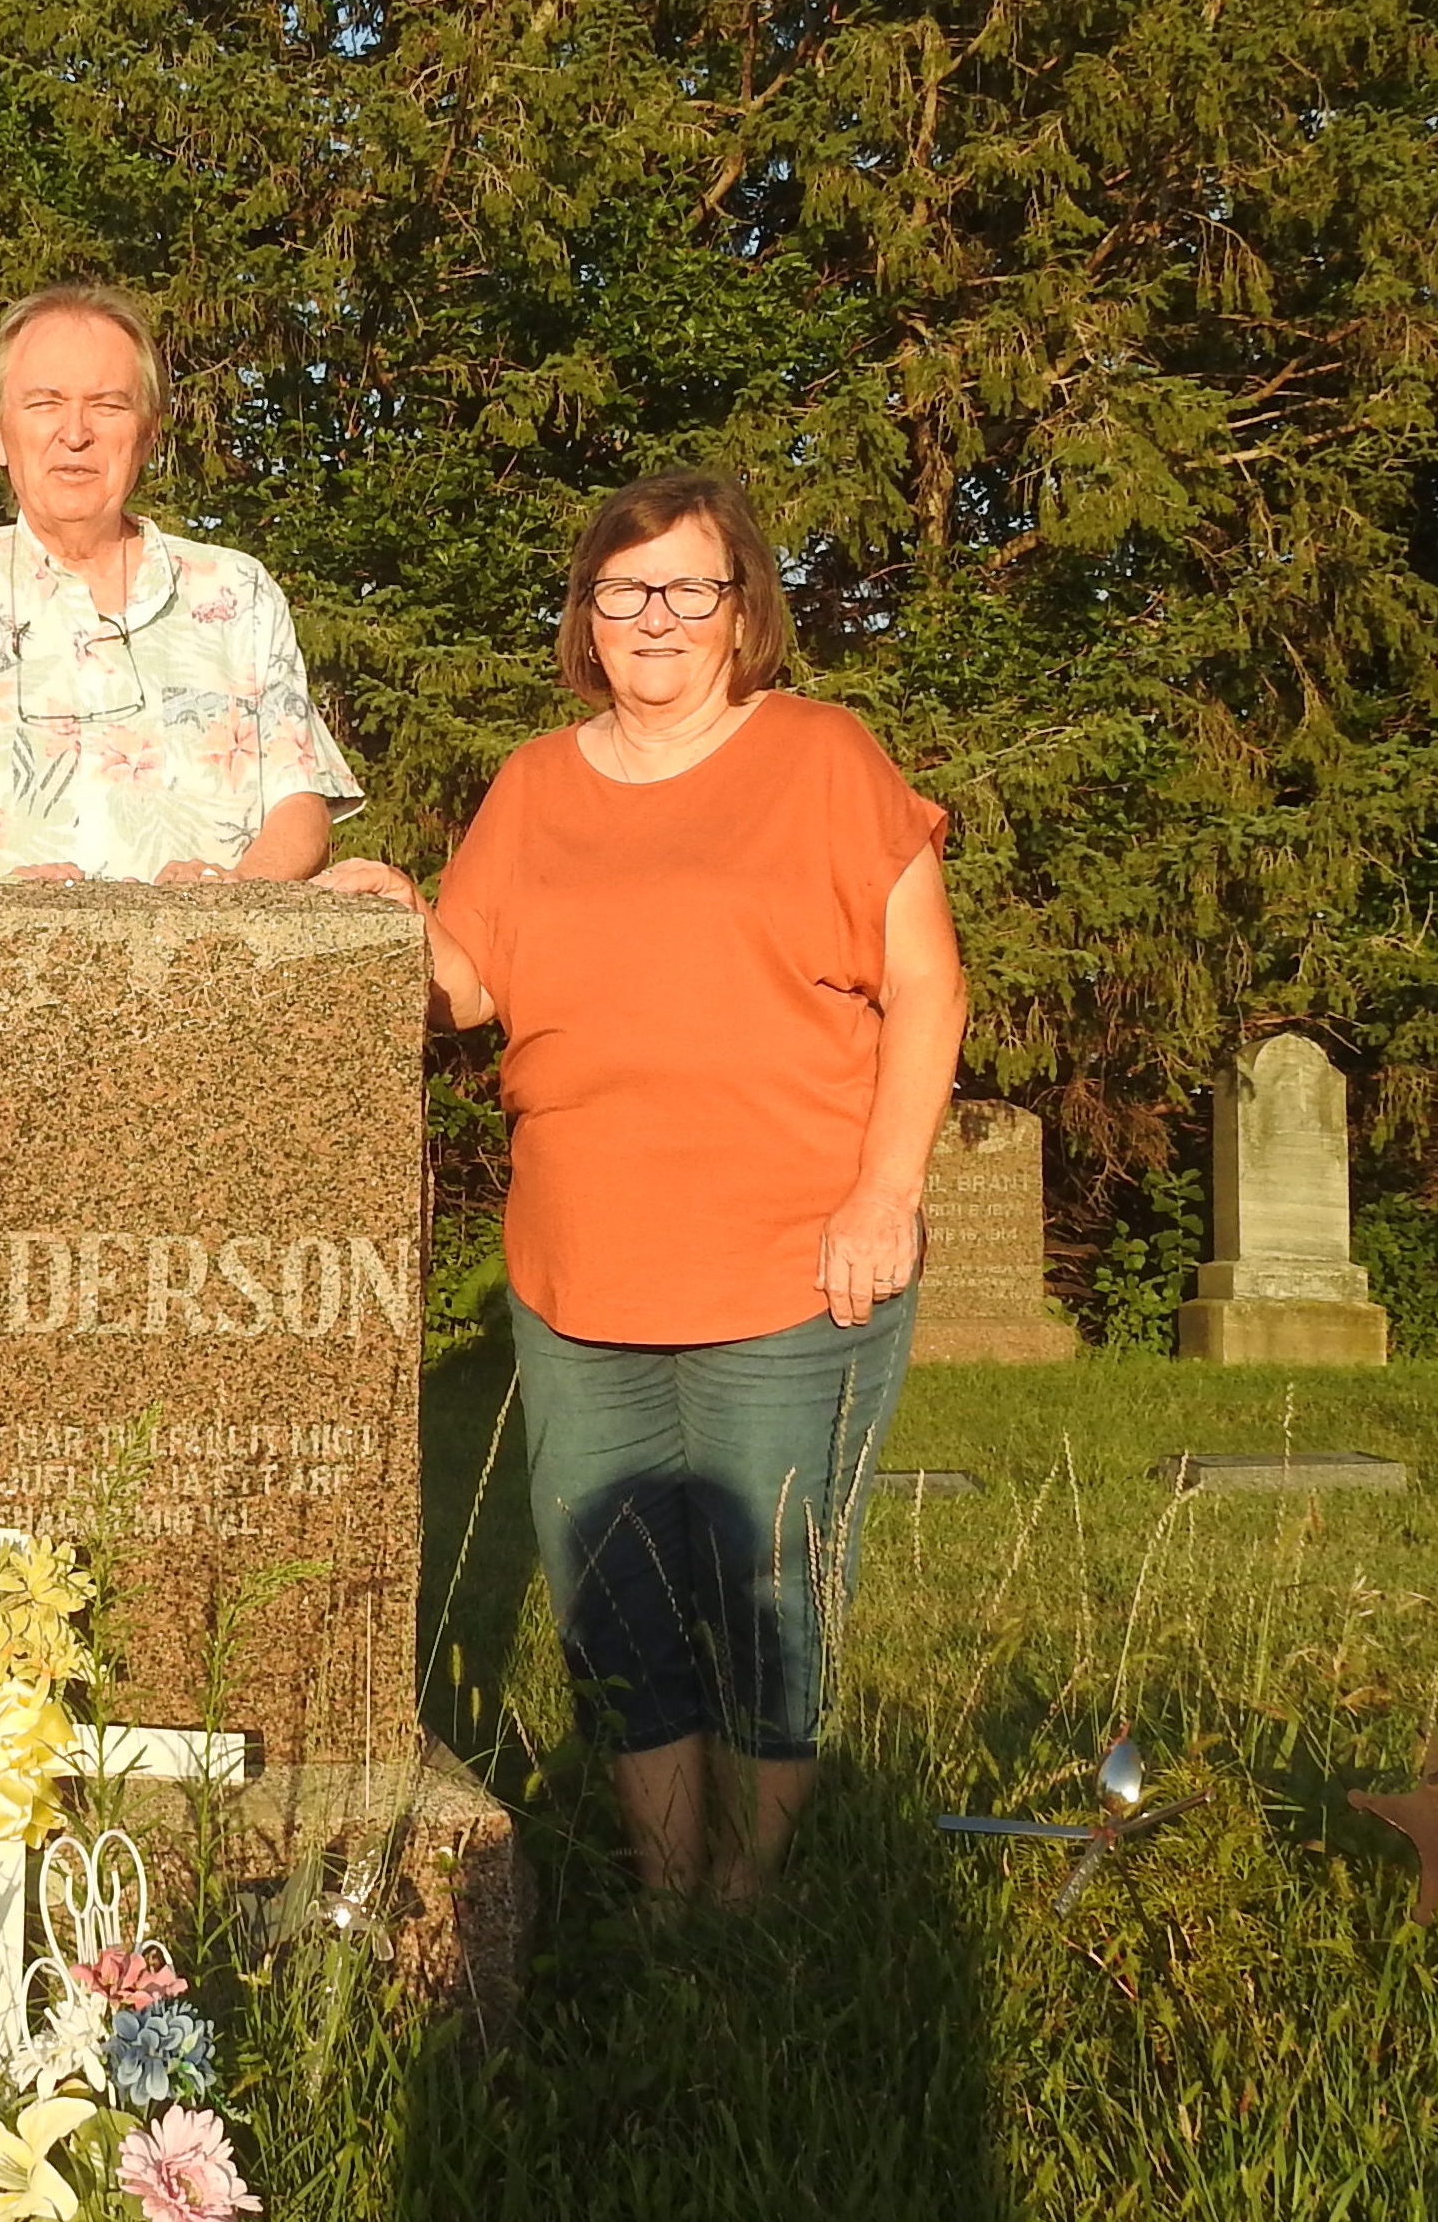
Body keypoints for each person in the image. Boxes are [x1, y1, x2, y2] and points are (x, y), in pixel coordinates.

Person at [318, 469, 968, 1906]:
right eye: (624, 591)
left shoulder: (820, 755)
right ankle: (667, 1895)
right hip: (578, 1273)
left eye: (688, 587)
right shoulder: (534, 783)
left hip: (791, 1261)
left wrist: (883, 1195)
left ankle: (758, 1892)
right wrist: (379, 924)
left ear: (742, 610)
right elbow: (463, 984)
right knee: (613, 1599)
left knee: (769, 1599)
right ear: (585, 618)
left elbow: (924, 984)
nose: (655, 617)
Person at [0, 283, 361, 885]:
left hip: (203, 968)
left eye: (108, 405)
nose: (75, 433)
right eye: (45, 403)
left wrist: (229, 902)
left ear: (147, 434)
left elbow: (301, 809)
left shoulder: (238, 592)